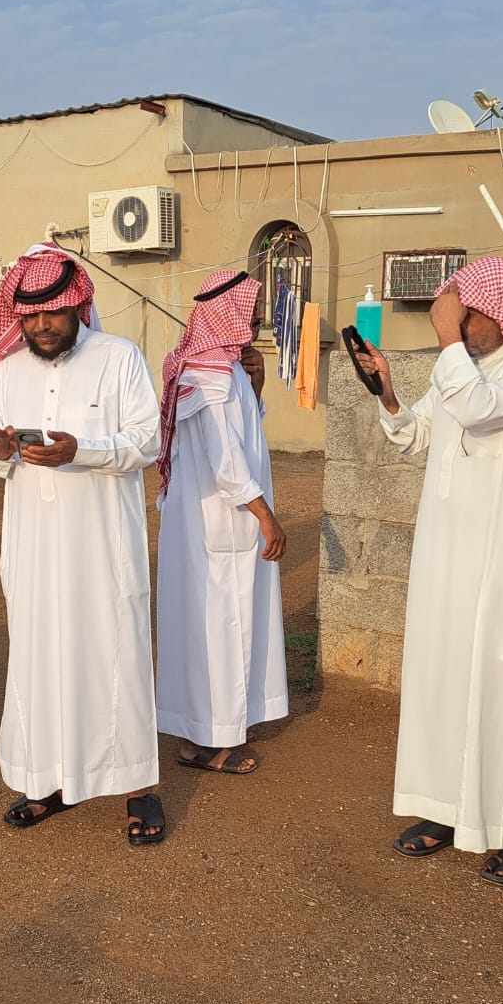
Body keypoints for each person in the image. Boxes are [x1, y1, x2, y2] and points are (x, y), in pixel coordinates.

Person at [355, 257, 503, 883]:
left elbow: (481, 409)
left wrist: (444, 336)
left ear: (502, 311)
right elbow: (415, 434)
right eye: (453, 318)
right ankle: (444, 809)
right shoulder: (461, 364)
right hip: (445, 548)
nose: (458, 327)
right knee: (442, 674)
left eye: (466, 316)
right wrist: (387, 393)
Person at [0, 243, 167, 844]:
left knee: (114, 656)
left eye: (52, 312)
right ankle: (47, 780)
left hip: (103, 550)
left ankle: (138, 787)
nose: (41, 325)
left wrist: (81, 450)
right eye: (30, 315)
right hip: (33, 551)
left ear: (78, 304)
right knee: (40, 657)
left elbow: (148, 441)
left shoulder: (119, 358)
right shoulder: (6, 374)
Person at [155, 270, 288, 774]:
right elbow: (226, 460)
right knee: (220, 628)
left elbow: (247, 432)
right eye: (250, 310)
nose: (256, 318)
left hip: (218, 523)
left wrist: (256, 383)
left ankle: (206, 735)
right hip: (218, 521)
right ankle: (209, 741)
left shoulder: (223, 369)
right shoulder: (206, 374)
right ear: (227, 313)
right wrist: (266, 516)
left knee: (214, 626)